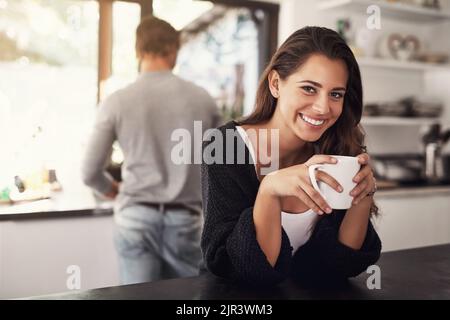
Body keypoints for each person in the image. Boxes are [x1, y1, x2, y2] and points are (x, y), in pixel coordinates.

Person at [201, 26, 382, 287]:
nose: (323, 108)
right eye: (309, 88)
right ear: (276, 84)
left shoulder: (338, 149)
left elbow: (344, 264)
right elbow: (246, 270)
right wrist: (269, 191)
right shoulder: (225, 146)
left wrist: (362, 199)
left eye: (335, 94)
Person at [82, 16, 221, 285]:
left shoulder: (117, 101)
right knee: (190, 301)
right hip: (186, 221)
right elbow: (218, 165)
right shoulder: (202, 99)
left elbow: (89, 172)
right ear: (173, 50)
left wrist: (113, 190)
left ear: (138, 51)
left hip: (136, 218)